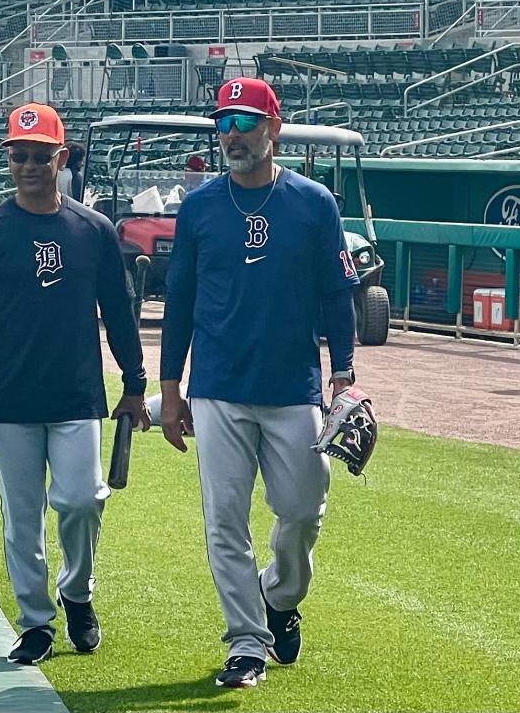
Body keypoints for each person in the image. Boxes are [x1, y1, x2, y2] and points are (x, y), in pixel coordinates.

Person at [159, 77, 360, 689]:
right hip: (217, 385)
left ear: (274, 129)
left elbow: (336, 294)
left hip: (292, 385)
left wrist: (344, 374)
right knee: (224, 519)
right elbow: (181, 299)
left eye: (246, 122)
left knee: (302, 509)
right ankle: (246, 643)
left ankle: (280, 596)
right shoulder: (198, 207)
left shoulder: (313, 201)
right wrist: (171, 389)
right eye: (223, 123)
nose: (233, 134)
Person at [0, 103, 150, 666]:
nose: (30, 165)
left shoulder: (93, 230)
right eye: (20, 155)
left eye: (41, 155)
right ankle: (35, 624)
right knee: (22, 518)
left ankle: (77, 592)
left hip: (76, 394)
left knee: (81, 502)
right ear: (9, 159)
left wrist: (135, 384)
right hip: (8, 400)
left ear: (61, 158)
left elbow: (119, 312)